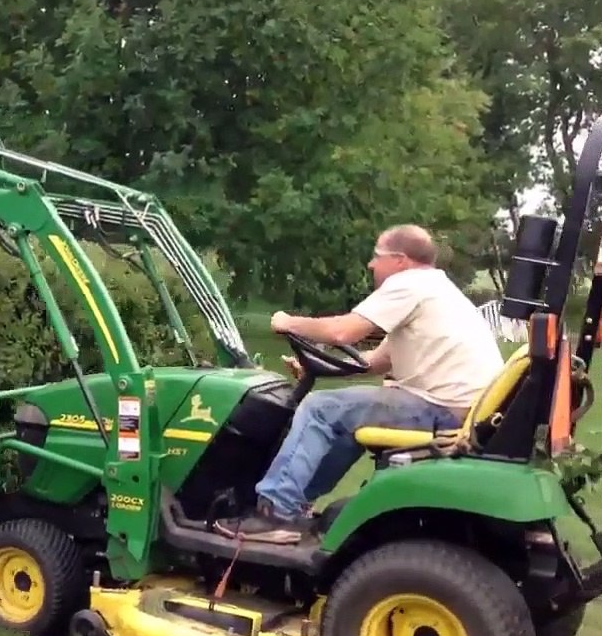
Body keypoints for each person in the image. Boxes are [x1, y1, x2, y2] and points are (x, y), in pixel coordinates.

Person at [216, 224, 505, 544]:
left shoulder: (409, 285)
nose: (371, 264)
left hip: (443, 410)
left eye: (376, 256)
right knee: (344, 417)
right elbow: (374, 361)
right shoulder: (434, 290)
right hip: (458, 407)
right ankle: (297, 503)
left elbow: (343, 332)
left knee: (319, 408)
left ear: (399, 260)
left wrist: (287, 322)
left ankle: (274, 512)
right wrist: (314, 366)